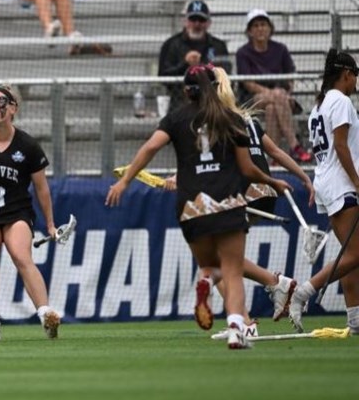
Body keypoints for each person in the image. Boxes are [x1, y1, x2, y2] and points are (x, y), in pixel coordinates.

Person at [106, 64, 292, 349]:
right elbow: (247, 167)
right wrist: (273, 182)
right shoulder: (231, 118)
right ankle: (236, 328)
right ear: (212, 87)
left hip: (191, 208)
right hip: (228, 202)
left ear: (185, 90)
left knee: (209, 266)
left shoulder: (176, 119)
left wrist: (125, 182)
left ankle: (206, 281)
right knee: (231, 270)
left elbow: (150, 148)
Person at [167, 67, 315, 338]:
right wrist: (303, 176)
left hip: (243, 193)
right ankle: (244, 314)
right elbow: (276, 151)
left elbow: (210, 159)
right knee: (224, 260)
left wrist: (180, 176)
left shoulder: (219, 120)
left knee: (221, 261)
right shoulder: (245, 118)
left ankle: (253, 310)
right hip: (265, 193)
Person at [0, 85, 64, 342]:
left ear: (13, 107)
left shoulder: (28, 145)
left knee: (21, 256)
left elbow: (42, 188)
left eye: (0, 101)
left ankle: (45, 314)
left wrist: (50, 223)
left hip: (17, 211)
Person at [287, 49, 359, 336]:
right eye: (355, 75)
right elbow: (341, 146)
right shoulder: (340, 101)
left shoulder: (319, 106)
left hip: (327, 183)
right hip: (342, 184)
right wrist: (357, 181)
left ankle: (355, 320)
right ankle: (303, 292)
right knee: (354, 255)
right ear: (346, 74)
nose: (355, 82)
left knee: (352, 256)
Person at [236, 9, 311, 163]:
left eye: (263, 24)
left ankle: (273, 158)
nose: (260, 29)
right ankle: (294, 145)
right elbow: (248, 83)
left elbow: (290, 77)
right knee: (276, 97)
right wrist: (276, 94)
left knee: (271, 109)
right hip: (252, 100)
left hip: (280, 99)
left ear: (270, 28)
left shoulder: (281, 49)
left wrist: (284, 94)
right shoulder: (243, 53)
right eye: (255, 26)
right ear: (249, 31)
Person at [158, 0, 230, 114]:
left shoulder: (218, 46)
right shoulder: (171, 44)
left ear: (208, 23)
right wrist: (185, 64)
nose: (197, 24)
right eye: (193, 19)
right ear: (185, 21)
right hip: (180, 103)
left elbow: (225, 74)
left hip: (212, 102)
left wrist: (204, 67)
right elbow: (163, 77)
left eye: (201, 20)